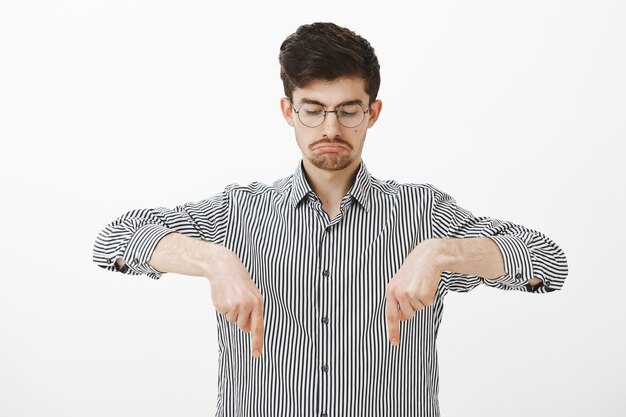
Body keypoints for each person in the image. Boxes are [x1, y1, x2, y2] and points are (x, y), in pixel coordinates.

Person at [93, 22, 568, 417]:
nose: (331, 129)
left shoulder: (425, 215)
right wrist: (212, 259)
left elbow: (549, 263)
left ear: (373, 112)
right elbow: (114, 239)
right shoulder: (236, 213)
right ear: (289, 111)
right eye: (314, 111)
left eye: (348, 111)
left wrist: (442, 251)